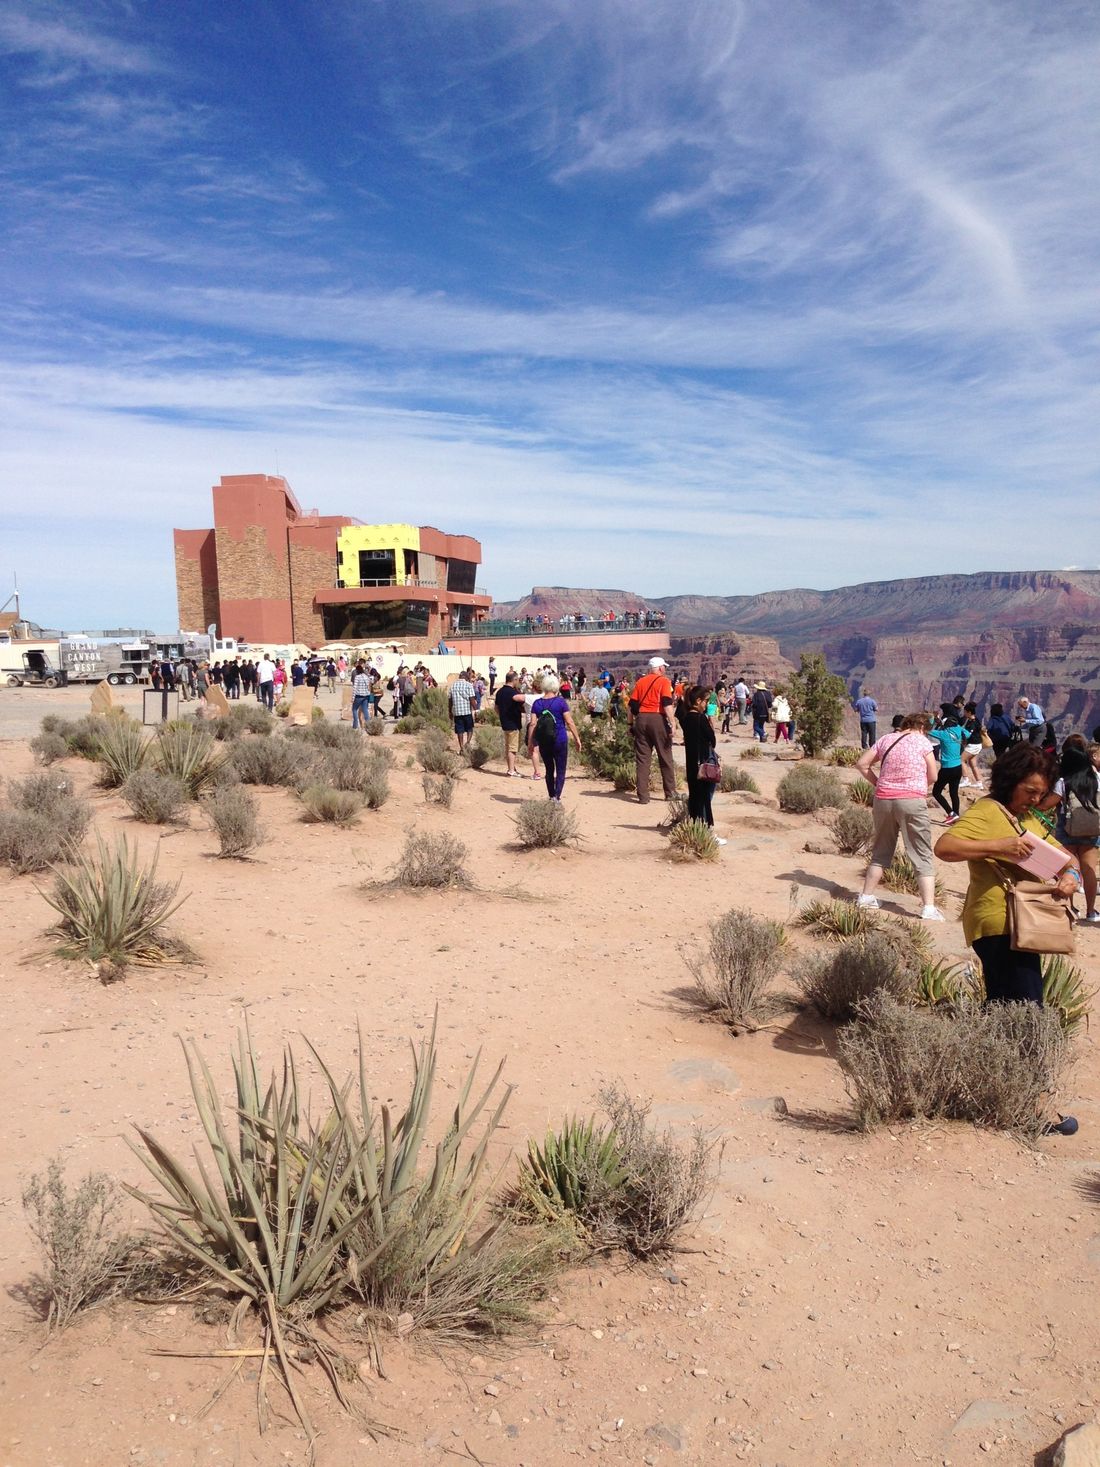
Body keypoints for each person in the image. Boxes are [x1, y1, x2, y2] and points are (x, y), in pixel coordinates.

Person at [934, 743, 1082, 1135]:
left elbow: (1066, 858)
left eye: (1040, 793)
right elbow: (945, 847)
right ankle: (1028, 1108)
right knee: (1027, 1013)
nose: (1035, 798)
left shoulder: (1025, 817)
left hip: (1021, 925)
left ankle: (989, 1093)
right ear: (1010, 781)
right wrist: (1000, 846)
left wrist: (1071, 877)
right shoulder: (987, 812)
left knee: (1004, 1008)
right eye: (1029, 790)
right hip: (999, 924)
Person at [855, 712, 944, 921]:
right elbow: (933, 775)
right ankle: (928, 908)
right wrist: (917, 787)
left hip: (883, 800)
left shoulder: (886, 739)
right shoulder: (923, 742)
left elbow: (862, 764)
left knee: (881, 850)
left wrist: (879, 783)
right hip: (911, 801)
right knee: (921, 852)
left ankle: (866, 897)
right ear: (922, 727)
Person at [1050, 735, 1100, 924]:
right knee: (1089, 870)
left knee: (1069, 869)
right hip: (1091, 829)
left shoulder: (1063, 782)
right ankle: (1091, 911)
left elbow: (1049, 803)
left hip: (1067, 828)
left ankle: (1070, 908)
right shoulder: (1096, 779)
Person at [676, 685, 726, 842]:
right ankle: (706, 834)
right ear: (698, 701)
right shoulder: (700, 718)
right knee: (705, 798)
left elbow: (679, 712)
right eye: (705, 701)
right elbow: (712, 739)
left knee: (695, 797)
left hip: (692, 763)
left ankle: (696, 830)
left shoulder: (686, 718)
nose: (707, 704)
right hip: (704, 763)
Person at [628, 657, 677, 805]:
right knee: (665, 756)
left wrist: (630, 724)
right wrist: (673, 723)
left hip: (641, 719)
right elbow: (667, 704)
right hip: (657, 718)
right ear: (660, 668)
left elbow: (631, 706)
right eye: (664, 667)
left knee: (643, 759)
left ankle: (643, 796)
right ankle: (670, 793)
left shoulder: (640, 682)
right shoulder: (664, 681)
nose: (665, 670)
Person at [528, 673, 581, 801]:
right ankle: (556, 797)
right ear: (556, 687)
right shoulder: (560, 702)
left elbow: (533, 724)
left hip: (544, 741)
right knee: (561, 770)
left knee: (549, 769)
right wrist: (577, 739)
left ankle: (551, 795)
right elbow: (569, 722)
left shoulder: (537, 703)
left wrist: (531, 742)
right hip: (560, 739)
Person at [929, 711, 966, 825]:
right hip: (958, 767)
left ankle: (951, 813)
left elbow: (928, 730)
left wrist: (932, 719)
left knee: (936, 792)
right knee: (954, 793)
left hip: (947, 768)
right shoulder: (959, 730)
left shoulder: (943, 734)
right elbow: (967, 734)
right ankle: (956, 815)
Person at [495, 670, 525, 777]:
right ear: (514, 680)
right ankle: (511, 770)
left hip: (505, 723)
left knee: (508, 747)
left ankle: (511, 767)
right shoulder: (513, 692)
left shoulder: (499, 692)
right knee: (512, 748)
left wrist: (502, 715)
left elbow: (496, 708)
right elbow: (521, 701)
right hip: (513, 723)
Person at [449, 668, 477, 751]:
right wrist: (476, 709)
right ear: (466, 677)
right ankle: (467, 743)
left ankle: (461, 747)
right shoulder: (469, 685)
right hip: (467, 711)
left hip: (457, 712)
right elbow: (472, 699)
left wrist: (450, 711)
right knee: (469, 728)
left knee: (459, 730)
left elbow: (450, 700)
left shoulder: (453, 686)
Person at [960, 702, 985, 789]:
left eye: (965, 712)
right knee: (972, 764)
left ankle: (965, 780)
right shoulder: (975, 719)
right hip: (977, 744)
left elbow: (968, 734)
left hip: (973, 745)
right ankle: (979, 783)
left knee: (961, 760)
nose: (964, 713)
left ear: (969, 712)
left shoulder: (972, 722)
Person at [351, 661, 371, 730]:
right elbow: (368, 686)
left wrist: (353, 698)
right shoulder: (366, 677)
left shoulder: (357, 677)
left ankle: (355, 725)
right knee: (365, 710)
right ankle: (369, 724)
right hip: (366, 696)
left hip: (358, 696)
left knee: (354, 709)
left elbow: (355, 688)